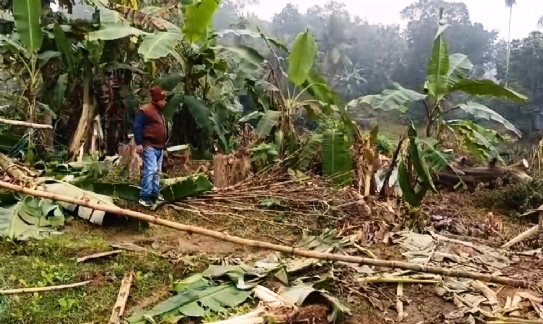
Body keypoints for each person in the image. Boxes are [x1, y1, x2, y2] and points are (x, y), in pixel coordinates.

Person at [133, 86, 169, 207]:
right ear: (158, 99)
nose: (165, 102)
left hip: (159, 146)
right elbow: (137, 126)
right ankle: (144, 196)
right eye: (164, 99)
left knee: (157, 172)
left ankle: (155, 193)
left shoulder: (158, 112)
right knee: (151, 170)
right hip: (149, 146)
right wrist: (138, 143)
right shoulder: (145, 111)